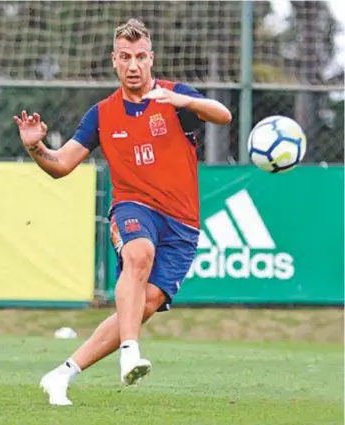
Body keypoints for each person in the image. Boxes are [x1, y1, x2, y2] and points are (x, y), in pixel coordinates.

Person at [13, 18, 231, 406]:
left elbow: (222, 114)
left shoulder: (175, 97)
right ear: (114, 61)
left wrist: (185, 101)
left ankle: (62, 373)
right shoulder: (101, 114)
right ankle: (130, 352)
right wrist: (35, 147)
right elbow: (62, 165)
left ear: (152, 59)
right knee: (138, 252)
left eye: (141, 57)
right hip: (132, 207)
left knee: (143, 304)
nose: (134, 65)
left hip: (182, 224)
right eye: (125, 57)